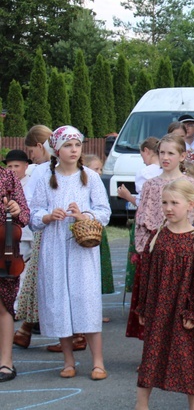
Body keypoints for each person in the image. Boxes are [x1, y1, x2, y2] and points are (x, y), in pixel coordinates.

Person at [30, 126, 111, 380]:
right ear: (56, 149)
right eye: (68, 145)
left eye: (77, 145)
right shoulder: (45, 177)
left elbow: (104, 211)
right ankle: (68, 360)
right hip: (54, 247)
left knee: (86, 300)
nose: (74, 150)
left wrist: (83, 215)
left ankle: (98, 362)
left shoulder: (90, 177)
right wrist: (47, 215)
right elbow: (33, 214)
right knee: (59, 301)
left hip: (82, 250)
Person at [134, 179, 194, 410]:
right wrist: (143, 305)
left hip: (186, 310)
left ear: (190, 204)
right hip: (160, 308)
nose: (168, 208)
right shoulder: (158, 238)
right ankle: (141, 404)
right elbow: (146, 277)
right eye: (165, 202)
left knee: (191, 356)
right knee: (152, 353)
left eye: (174, 203)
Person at [127, 134, 194, 341]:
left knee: (177, 300)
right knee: (153, 300)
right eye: (162, 153)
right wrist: (143, 249)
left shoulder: (188, 182)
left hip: (181, 247)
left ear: (182, 156)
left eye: (171, 153)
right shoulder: (150, 184)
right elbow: (142, 218)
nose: (165, 157)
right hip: (155, 248)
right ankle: (151, 351)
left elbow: (193, 216)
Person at [13, 125, 52, 349]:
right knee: (36, 283)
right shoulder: (62, 168)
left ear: (40, 146)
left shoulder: (40, 170)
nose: (32, 157)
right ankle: (26, 328)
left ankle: (26, 328)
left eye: (32, 152)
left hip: (42, 231)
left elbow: (26, 201)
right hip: (46, 230)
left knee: (36, 282)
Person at [0, 150, 30, 383]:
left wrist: (17, 210)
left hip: (4, 252)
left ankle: (6, 362)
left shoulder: (8, 178)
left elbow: (25, 215)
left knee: (4, 307)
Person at [118, 137, 162, 297]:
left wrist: (128, 196)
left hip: (147, 221)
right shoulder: (165, 171)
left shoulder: (145, 173)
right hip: (164, 220)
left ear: (147, 151)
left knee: (143, 255)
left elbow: (144, 203)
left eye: (141, 154)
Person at [83, 154, 114, 317]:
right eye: (96, 169)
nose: (100, 172)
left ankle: (95, 312)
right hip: (83, 232)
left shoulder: (97, 184)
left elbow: (103, 210)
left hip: (96, 231)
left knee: (97, 273)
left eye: (101, 169)